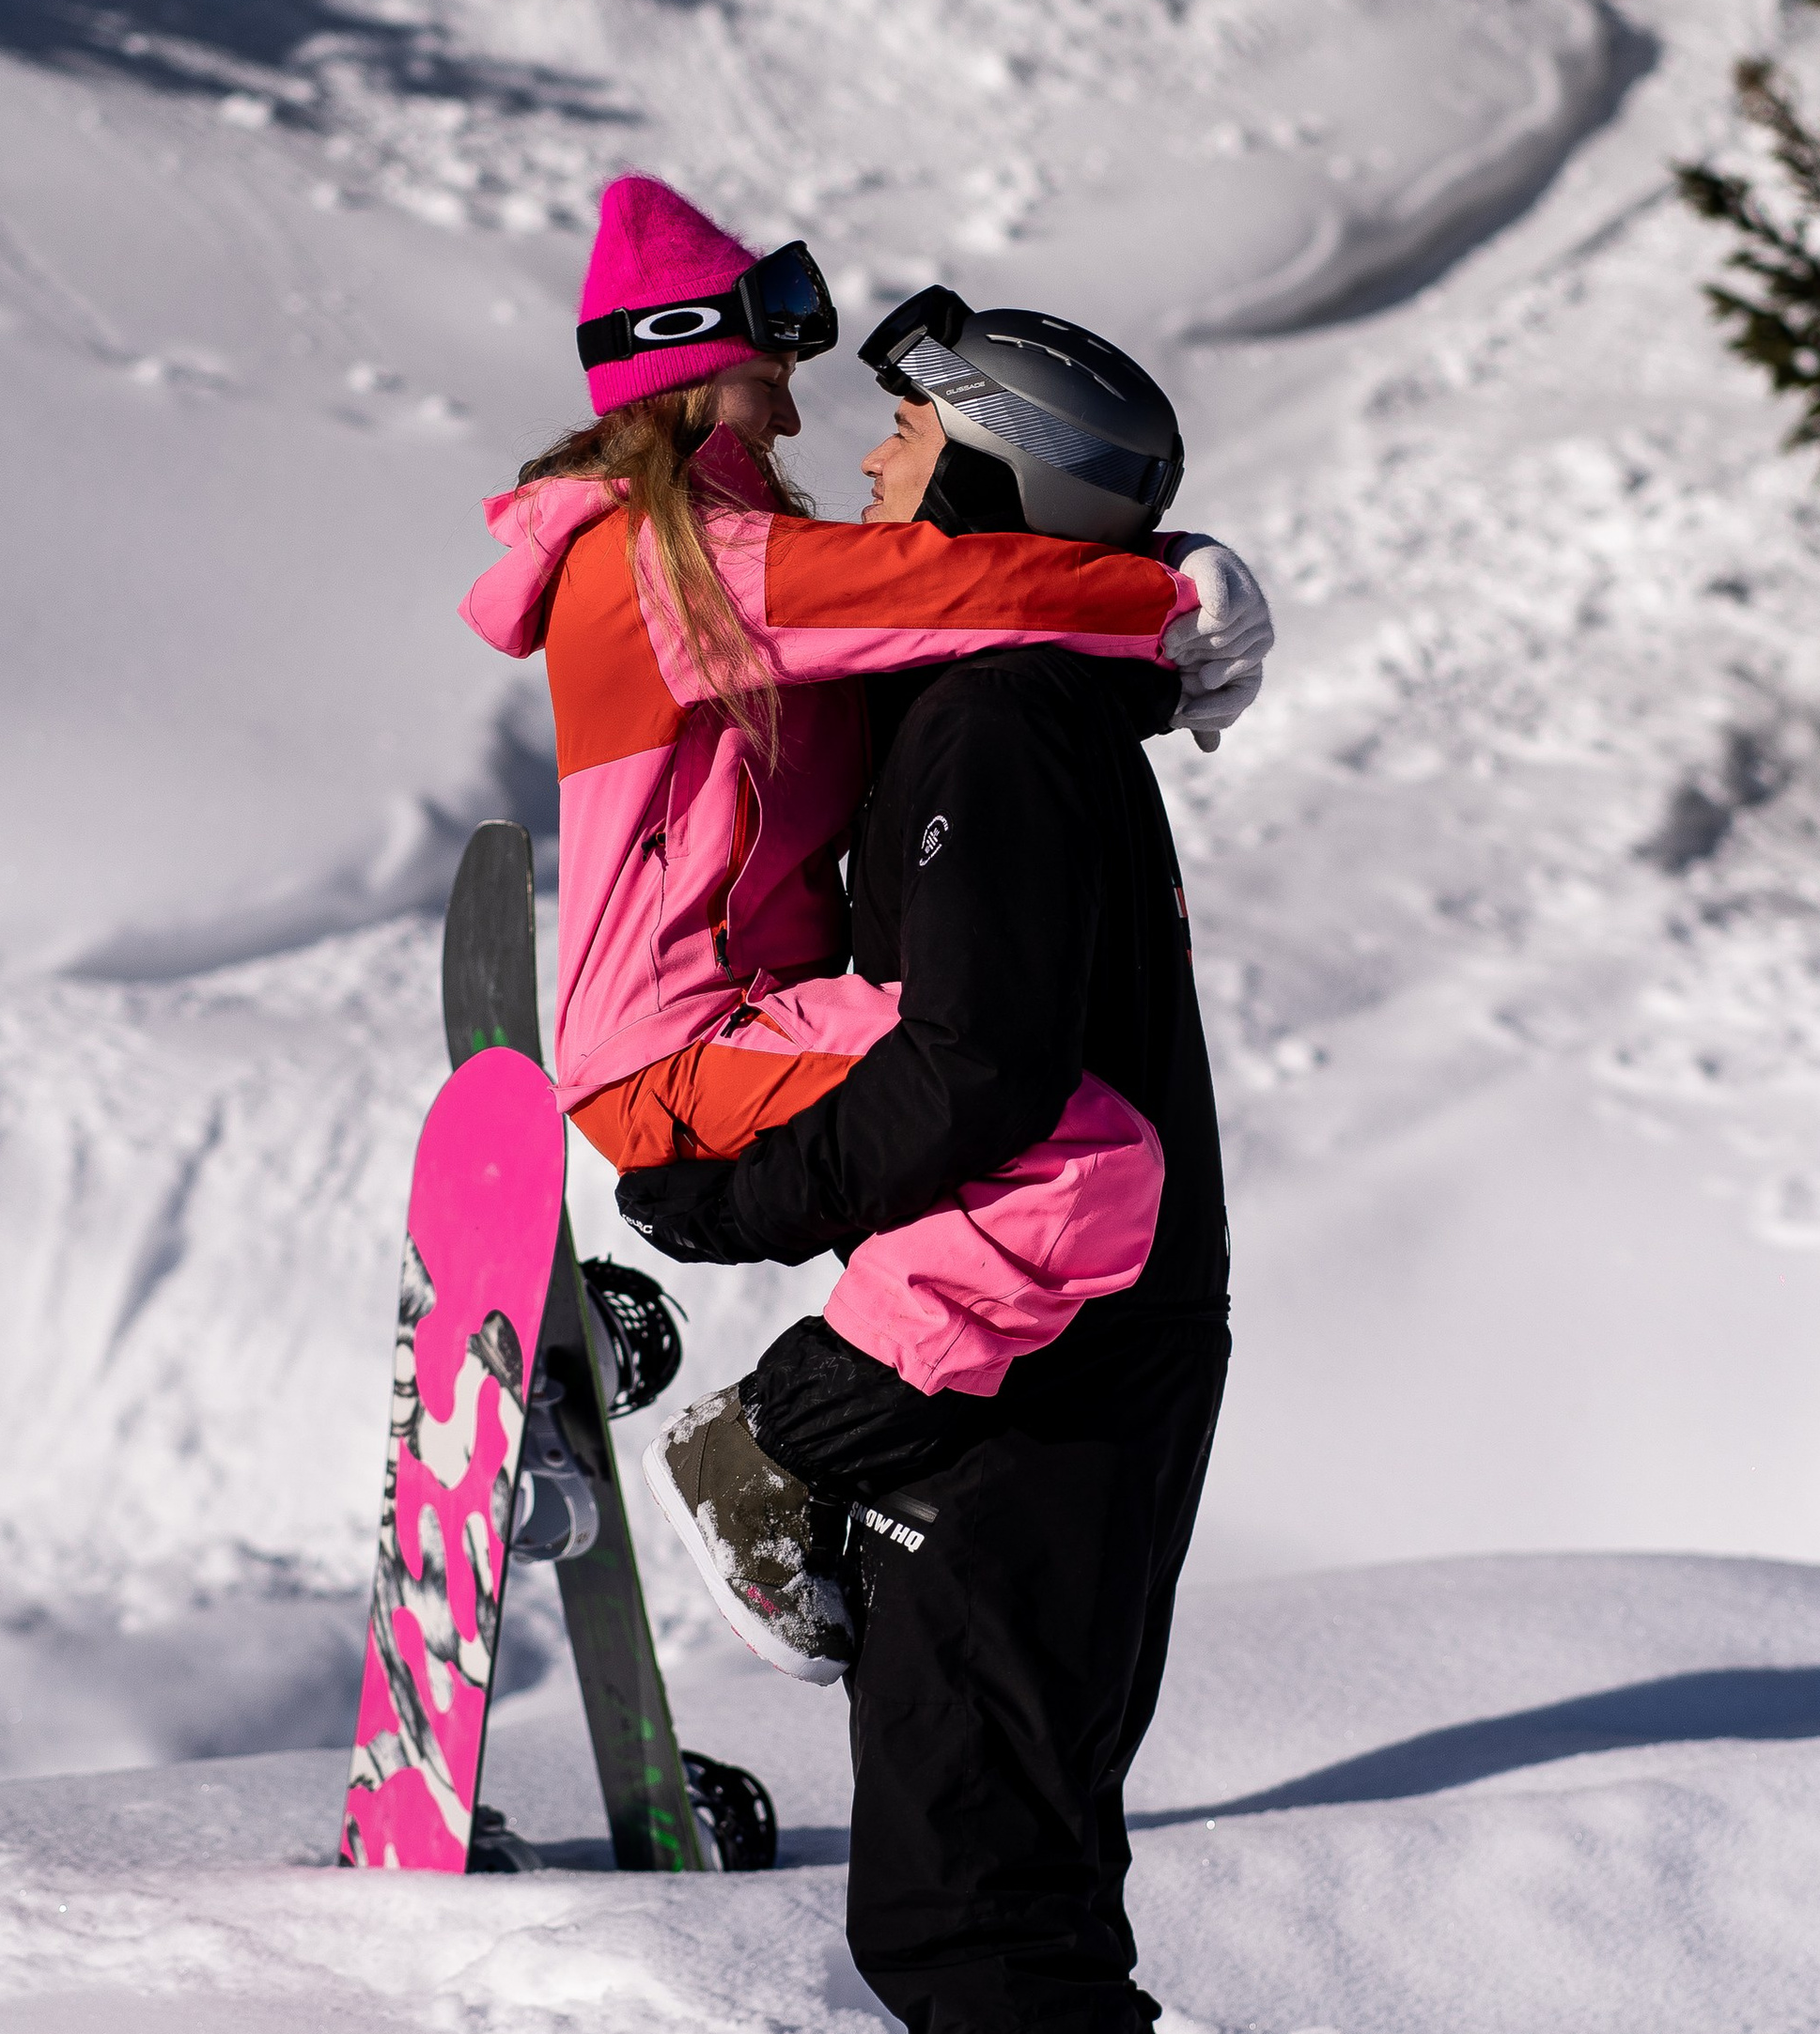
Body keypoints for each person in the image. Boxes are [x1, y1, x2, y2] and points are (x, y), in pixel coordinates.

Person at [627, 281, 1239, 2034]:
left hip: (1048, 1354)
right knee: (1016, 1838)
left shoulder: (993, 719)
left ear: (993, 472)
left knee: (967, 1877)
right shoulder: (1006, 704)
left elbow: (976, 1067)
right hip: (1079, 1330)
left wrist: (739, 1196)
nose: (870, 481)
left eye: (906, 451)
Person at [459, 180, 1271, 1675]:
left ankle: (830, 1456)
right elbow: (945, 586)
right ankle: (765, 1453)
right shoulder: (670, 562)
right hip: (676, 1048)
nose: (796, 396)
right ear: (693, 355)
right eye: (773, 349)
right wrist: (1167, 592)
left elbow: (941, 644)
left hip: (759, 1022)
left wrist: (1152, 658)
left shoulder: (737, 553)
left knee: (1020, 1134)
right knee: (1084, 1159)